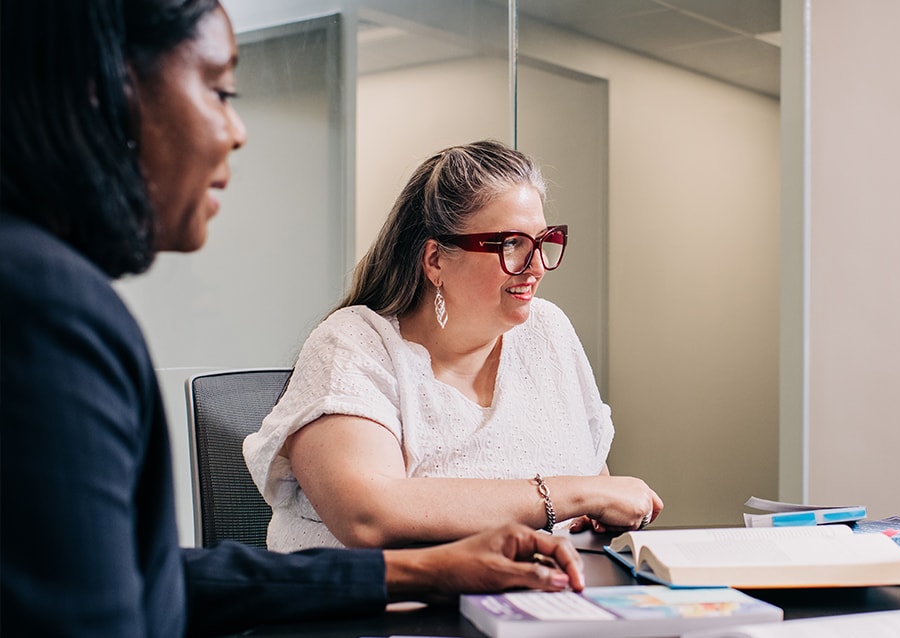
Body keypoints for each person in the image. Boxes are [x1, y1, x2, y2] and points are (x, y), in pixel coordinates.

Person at [0, 2, 584, 636]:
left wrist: (431, 570)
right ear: (105, 94)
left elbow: (153, 577)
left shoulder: (42, 288)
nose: (237, 130)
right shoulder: (46, 308)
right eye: (220, 90)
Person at [243, 141, 664, 552]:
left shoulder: (548, 331)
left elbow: (597, 487)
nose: (535, 266)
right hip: (378, 616)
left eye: (542, 240)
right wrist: (568, 495)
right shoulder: (354, 344)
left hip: (537, 606)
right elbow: (368, 517)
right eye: (511, 244)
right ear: (435, 260)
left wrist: (598, 507)